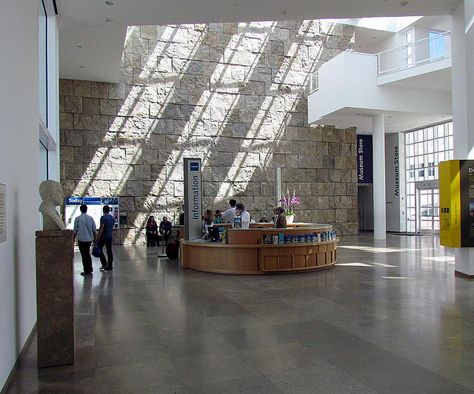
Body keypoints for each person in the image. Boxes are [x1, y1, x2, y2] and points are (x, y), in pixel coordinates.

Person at [73, 204, 97, 276]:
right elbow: (94, 230)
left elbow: (75, 230)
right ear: (86, 209)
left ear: (80, 210)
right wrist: (95, 239)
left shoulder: (77, 218)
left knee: (84, 255)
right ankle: (89, 268)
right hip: (89, 239)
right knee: (87, 253)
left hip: (81, 239)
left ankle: (86, 270)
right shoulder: (90, 218)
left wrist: (73, 238)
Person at [97, 205, 115, 271]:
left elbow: (101, 228)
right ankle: (110, 266)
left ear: (104, 210)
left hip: (103, 236)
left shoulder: (103, 218)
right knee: (109, 251)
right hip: (110, 236)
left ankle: (104, 263)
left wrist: (98, 237)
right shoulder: (112, 218)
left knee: (99, 249)